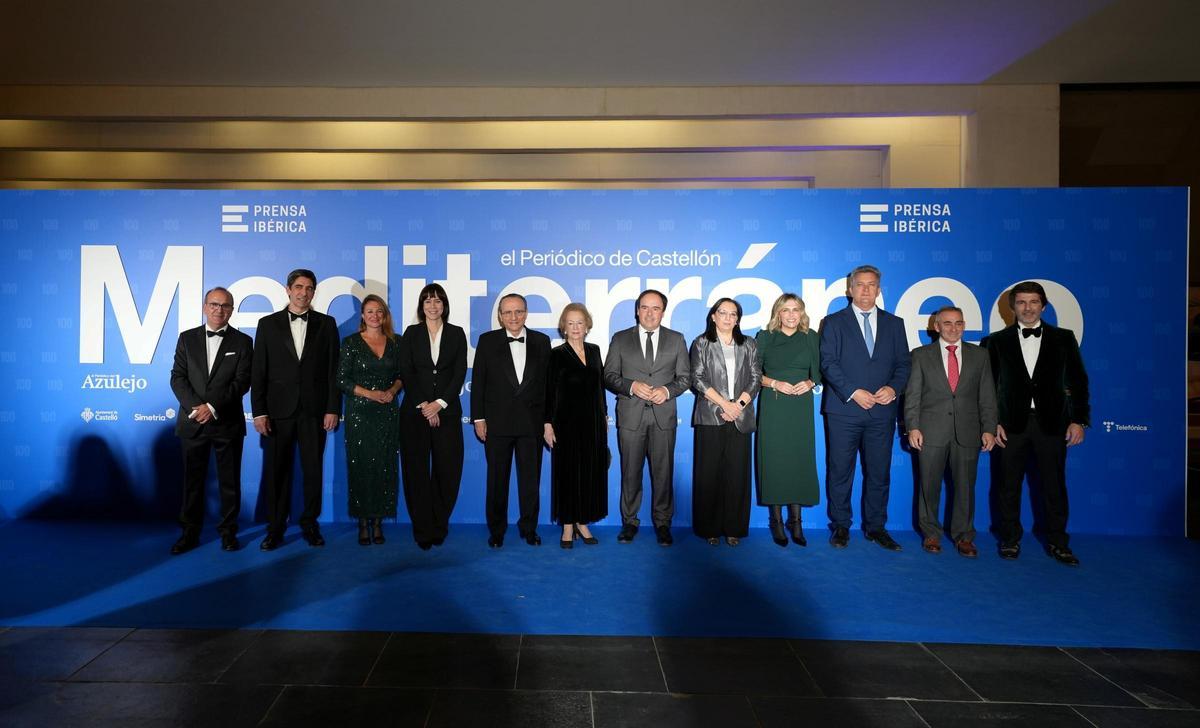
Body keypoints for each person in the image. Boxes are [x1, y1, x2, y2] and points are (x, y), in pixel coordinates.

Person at [981, 281, 1090, 566]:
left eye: (1033, 302)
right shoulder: (995, 342)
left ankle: (1059, 543)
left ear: (1043, 306)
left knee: (1054, 486)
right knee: (1007, 486)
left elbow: (1078, 381)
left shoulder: (1064, 338)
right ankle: (1009, 539)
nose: (1027, 308)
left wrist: (1078, 420)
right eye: (1021, 302)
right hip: (1009, 426)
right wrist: (992, 423)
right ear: (1012, 307)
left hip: (1052, 424)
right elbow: (987, 387)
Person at [819, 264, 911, 551]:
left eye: (871, 285)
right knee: (840, 471)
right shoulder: (833, 322)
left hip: (881, 412)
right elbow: (828, 363)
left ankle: (876, 527)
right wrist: (853, 392)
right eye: (860, 284)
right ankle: (840, 526)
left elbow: (904, 364)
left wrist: (893, 388)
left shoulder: (895, 324)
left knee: (879, 472)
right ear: (850, 289)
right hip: (843, 410)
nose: (866, 290)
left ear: (879, 289)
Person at [251, 269, 341, 551]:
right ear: (288, 289)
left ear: (314, 292)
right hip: (278, 411)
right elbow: (259, 371)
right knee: (277, 472)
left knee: (313, 471)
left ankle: (310, 524)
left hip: (315, 411)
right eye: (299, 287)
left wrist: (332, 408)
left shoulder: (327, 324)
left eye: (309, 288)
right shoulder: (267, 324)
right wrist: (259, 411)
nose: (304, 292)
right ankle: (275, 528)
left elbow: (333, 371)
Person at [904, 306, 997, 558]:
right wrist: (913, 426)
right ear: (936, 327)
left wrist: (989, 428)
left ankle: (964, 536)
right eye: (947, 323)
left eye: (958, 323)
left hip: (968, 432)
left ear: (964, 325)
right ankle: (931, 534)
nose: (953, 328)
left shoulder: (980, 356)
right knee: (928, 486)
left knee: (965, 487)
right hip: (930, 431)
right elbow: (912, 395)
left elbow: (987, 396)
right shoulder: (920, 355)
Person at [168, 286, 253, 554]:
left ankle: (228, 533)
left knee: (229, 483)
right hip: (193, 421)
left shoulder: (243, 342)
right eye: (214, 304)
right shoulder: (186, 338)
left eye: (225, 305)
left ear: (232, 310)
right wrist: (198, 408)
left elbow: (242, 382)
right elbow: (177, 377)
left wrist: (212, 407)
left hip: (227, 423)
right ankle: (189, 533)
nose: (219, 310)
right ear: (205, 307)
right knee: (192, 483)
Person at [603, 289, 691, 546]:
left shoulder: (676, 339)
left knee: (663, 474)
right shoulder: (620, 339)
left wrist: (667, 390)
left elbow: (685, 378)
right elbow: (609, 375)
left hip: (664, 417)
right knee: (630, 472)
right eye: (644, 307)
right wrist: (631, 386)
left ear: (663, 312)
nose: (650, 313)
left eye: (655, 308)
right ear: (637, 310)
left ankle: (663, 524)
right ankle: (629, 522)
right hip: (631, 416)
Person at [471, 293, 551, 548]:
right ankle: (497, 530)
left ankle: (529, 528)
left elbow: (548, 386)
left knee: (530, 482)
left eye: (518, 311)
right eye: (507, 312)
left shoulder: (542, 341)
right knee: (497, 481)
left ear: (526, 313)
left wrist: (547, 421)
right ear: (500, 316)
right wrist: (479, 418)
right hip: (497, 423)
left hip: (531, 423)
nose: (513, 317)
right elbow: (479, 382)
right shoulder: (487, 341)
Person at [398, 283, 468, 550]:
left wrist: (439, 404)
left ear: (444, 305)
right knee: (415, 472)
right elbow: (407, 371)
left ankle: (439, 525)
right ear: (421, 306)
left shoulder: (456, 333)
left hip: (448, 413)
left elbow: (459, 372)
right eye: (427, 301)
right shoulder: (411, 333)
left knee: (447, 471)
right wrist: (425, 405)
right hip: (415, 414)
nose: (433, 306)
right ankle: (422, 528)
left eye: (438, 301)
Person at [689, 298, 761, 546]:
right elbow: (697, 378)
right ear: (713, 316)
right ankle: (709, 528)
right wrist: (724, 404)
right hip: (711, 416)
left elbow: (755, 378)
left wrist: (737, 405)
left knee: (737, 475)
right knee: (708, 474)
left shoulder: (749, 344)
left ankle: (734, 528)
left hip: (740, 416)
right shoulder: (701, 343)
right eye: (723, 313)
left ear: (738, 319)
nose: (728, 318)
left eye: (733, 314)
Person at [755, 293, 821, 547]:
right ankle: (776, 521)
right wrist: (775, 383)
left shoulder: (810, 336)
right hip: (774, 405)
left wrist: (810, 382)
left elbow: (820, 370)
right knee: (774, 460)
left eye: (796, 309)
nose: (791, 315)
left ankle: (796, 521)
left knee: (799, 460)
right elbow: (753, 373)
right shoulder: (765, 337)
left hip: (800, 406)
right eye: (786, 310)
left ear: (802, 313)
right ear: (778, 313)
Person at [336, 294, 403, 547]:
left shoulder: (396, 342)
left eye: (379, 311)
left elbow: (402, 375)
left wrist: (393, 391)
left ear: (385, 316)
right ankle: (364, 522)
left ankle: (378, 522)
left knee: (385, 466)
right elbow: (341, 379)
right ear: (363, 316)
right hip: (360, 414)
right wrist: (370, 394)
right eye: (370, 311)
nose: (375, 315)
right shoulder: (351, 342)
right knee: (361, 467)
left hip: (387, 413)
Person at [544, 303, 608, 548]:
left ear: (587, 325)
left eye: (579, 322)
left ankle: (583, 522)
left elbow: (600, 387)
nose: (575, 327)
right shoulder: (557, 354)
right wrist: (547, 424)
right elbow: (549, 392)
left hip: (592, 423)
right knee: (568, 474)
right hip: (565, 424)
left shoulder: (594, 351)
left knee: (589, 473)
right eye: (570, 323)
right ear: (563, 327)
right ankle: (568, 525)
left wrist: (603, 416)